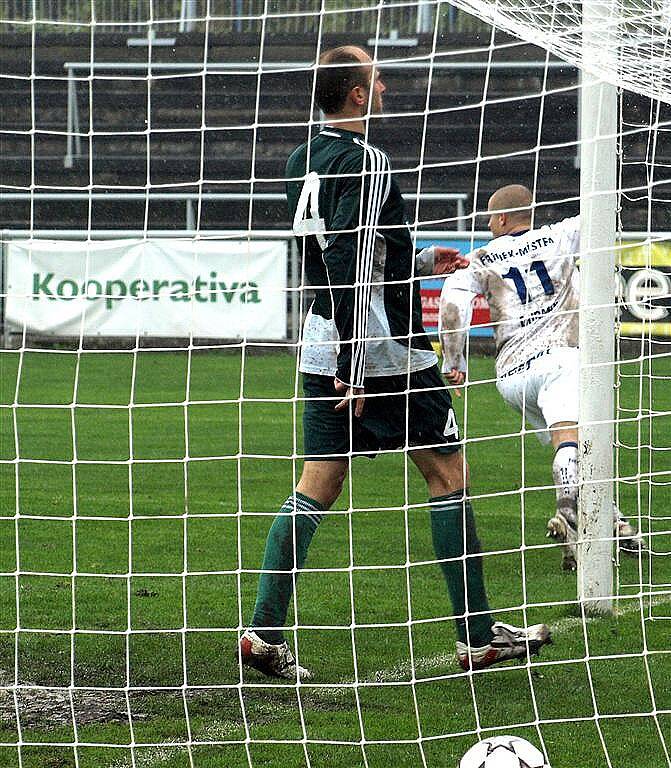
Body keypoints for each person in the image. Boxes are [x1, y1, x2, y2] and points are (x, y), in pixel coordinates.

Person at [237, 48, 552, 680]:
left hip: (323, 337)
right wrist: (359, 362)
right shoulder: (368, 161)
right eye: (375, 76)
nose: (384, 84)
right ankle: (479, 637)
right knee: (448, 475)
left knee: (317, 484)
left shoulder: (305, 158)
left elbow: (350, 252)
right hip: (377, 348)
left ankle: (262, 633)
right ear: (356, 95)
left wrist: (419, 257)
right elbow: (352, 261)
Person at [439, 184, 643, 571]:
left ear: (500, 219)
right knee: (575, 439)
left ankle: (612, 521)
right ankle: (569, 511)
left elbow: (451, 304)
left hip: (512, 376)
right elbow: (601, 214)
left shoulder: (481, 257)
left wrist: (456, 360)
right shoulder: (561, 234)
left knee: (571, 443)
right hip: (561, 359)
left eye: (489, 218)